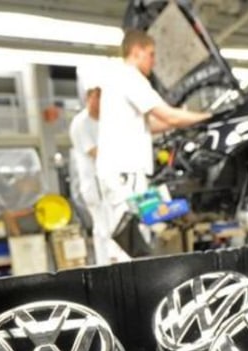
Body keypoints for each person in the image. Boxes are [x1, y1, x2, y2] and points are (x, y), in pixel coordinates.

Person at [95, 29, 212, 264]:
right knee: (128, 239)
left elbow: (154, 125)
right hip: (125, 172)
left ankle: (127, 289)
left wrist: (182, 121)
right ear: (136, 51)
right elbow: (168, 116)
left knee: (126, 236)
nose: (154, 61)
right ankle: (128, 294)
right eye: (151, 54)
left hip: (120, 171)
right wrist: (208, 116)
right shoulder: (130, 77)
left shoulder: (117, 80)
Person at [68, 78, 101, 259]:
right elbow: (95, 152)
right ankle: (109, 267)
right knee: (103, 229)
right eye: (98, 96)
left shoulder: (103, 121)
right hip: (94, 185)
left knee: (114, 228)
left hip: (106, 183)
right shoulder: (81, 122)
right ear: (90, 97)